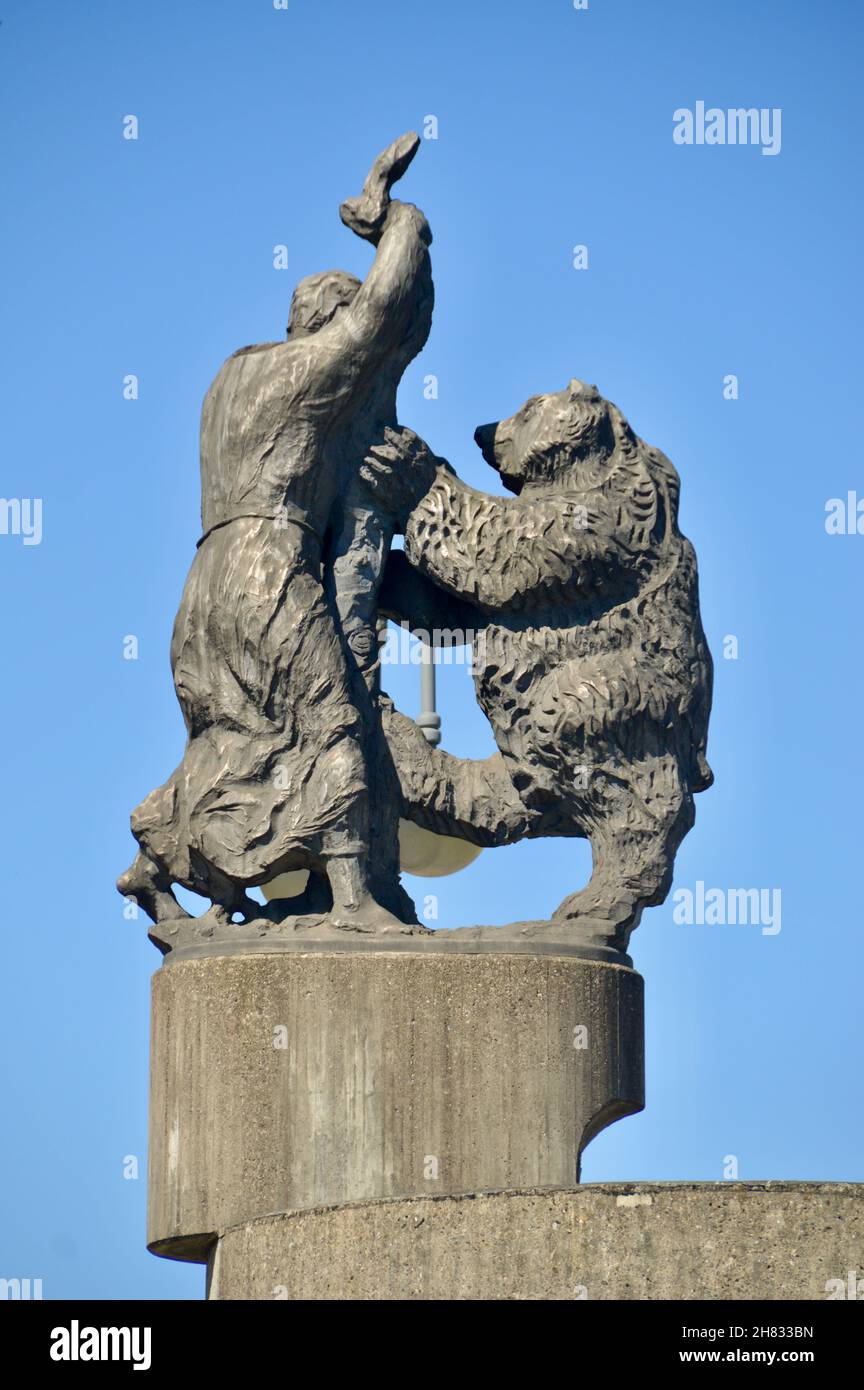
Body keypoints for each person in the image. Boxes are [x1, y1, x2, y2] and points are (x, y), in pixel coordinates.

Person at [118, 133, 434, 932]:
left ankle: (151, 866)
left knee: (235, 735)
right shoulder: (306, 372)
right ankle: (356, 902)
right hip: (268, 563)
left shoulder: (228, 377)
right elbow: (383, 311)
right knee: (335, 719)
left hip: (202, 589)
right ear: (322, 328)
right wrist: (397, 219)